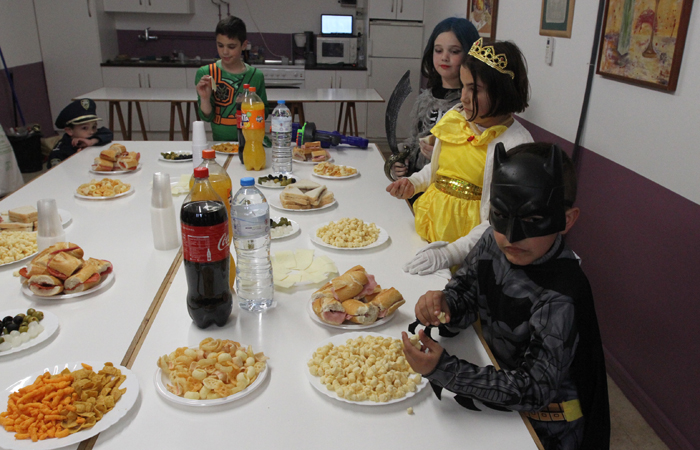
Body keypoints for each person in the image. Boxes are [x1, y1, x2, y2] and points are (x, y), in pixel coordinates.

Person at [401, 143, 610, 450]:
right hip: (497, 384)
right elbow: (466, 292)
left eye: (533, 219)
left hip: (547, 427)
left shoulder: (561, 296)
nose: (511, 237)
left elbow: (534, 389)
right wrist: (445, 305)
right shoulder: (491, 241)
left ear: (566, 219)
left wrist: (446, 369)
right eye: (500, 214)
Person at [389, 38, 534, 276]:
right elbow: (439, 170)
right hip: (430, 231)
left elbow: (498, 222)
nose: (464, 97)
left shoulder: (516, 146)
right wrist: (414, 183)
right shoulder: (456, 119)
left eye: (474, 90)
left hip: (469, 250)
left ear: (502, 91)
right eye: (464, 86)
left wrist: (450, 254)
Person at [390, 17, 479, 179]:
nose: (444, 57)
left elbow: (477, 156)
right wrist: (400, 161)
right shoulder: (425, 98)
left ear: (470, 54)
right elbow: (415, 140)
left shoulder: (472, 104)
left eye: (454, 51)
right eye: (438, 50)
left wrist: (443, 157)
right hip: (416, 183)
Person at [195, 15, 268, 142]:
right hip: (220, 145)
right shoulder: (206, 73)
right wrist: (205, 99)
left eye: (231, 47)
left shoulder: (256, 76)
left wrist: (251, 107)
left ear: (244, 45)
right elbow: (207, 117)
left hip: (251, 143)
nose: (225, 52)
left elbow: (264, 113)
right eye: (220, 45)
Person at [47, 99, 113, 169]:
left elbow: (108, 134)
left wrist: (92, 141)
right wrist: (76, 158)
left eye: (94, 126)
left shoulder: (91, 136)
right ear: (69, 131)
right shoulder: (59, 151)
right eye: (84, 128)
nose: (91, 132)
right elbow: (56, 173)